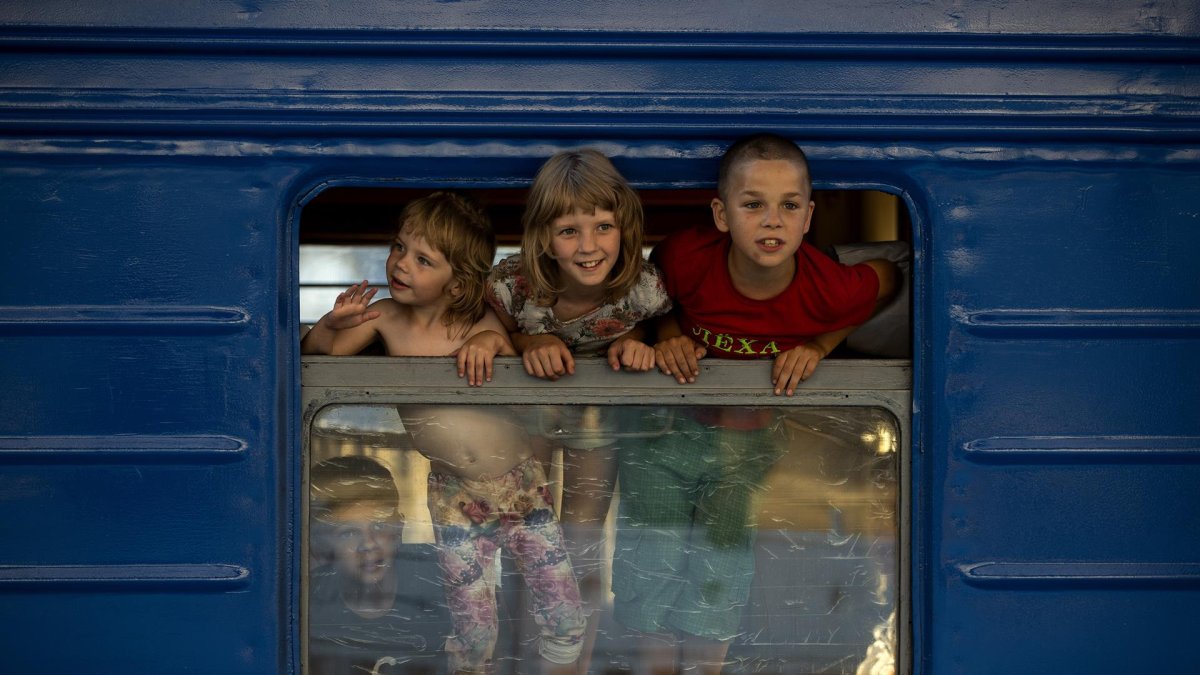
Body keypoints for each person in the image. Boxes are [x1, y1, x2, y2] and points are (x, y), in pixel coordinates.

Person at [612, 133, 897, 674]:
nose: (772, 221)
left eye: (789, 206)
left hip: (745, 446)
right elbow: (653, 303)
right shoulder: (686, 257)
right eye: (753, 205)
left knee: (721, 575)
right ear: (721, 215)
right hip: (662, 437)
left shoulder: (828, 288)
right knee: (652, 568)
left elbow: (890, 275)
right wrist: (670, 336)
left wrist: (819, 345)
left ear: (808, 217)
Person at [302, 192, 586, 675]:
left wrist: (488, 342)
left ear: (457, 284)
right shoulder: (386, 318)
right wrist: (332, 324)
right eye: (399, 247)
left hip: (520, 485)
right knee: (472, 626)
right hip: (454, 494)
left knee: (562, 610)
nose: (401, 264)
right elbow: (320, 357)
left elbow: (510, 354)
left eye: (423, 260)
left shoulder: (480, 321)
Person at [475, 149, 672, 673]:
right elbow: (488, 333)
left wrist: (642, 342)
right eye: (569, 231)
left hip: (597, 415)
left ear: (624, 226)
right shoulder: (513, 284)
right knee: (529, 537)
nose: (588, 246)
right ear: (543, 236)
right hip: (530, 409)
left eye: (603, 227)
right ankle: (522, 660)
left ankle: (572, 667)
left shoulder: (642, 287)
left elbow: (665, 327)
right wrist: (527, 342)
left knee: (582, 541)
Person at [308, 454, 450, 675]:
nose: (368, 544)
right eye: (349, 533)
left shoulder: (442, 583)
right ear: (323, 545)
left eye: (379, 525)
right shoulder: (308, 604)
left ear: (399, 528)